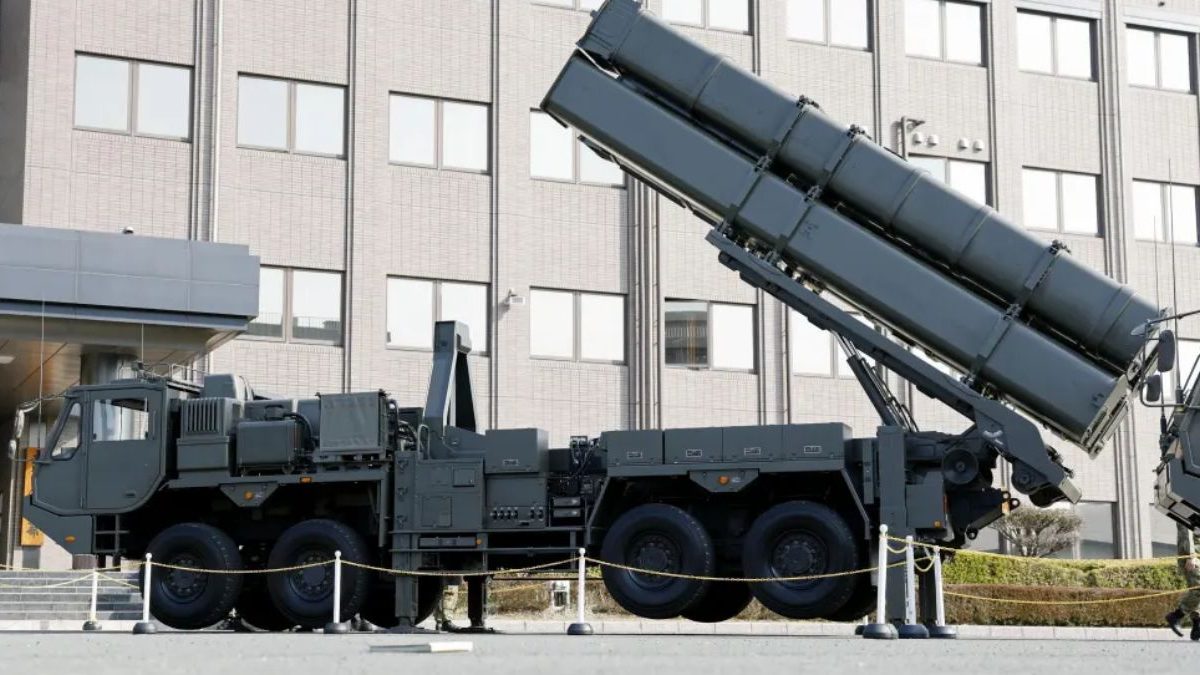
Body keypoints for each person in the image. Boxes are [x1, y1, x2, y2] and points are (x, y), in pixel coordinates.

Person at [1166, 524, 1200, 641]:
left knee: (1195, 589)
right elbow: (1186, 531)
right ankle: (1176, 616)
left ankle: (1197, 625)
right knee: (1198, 589)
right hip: (1193, 556)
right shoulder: (1189, 511)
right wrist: (1190, 556)